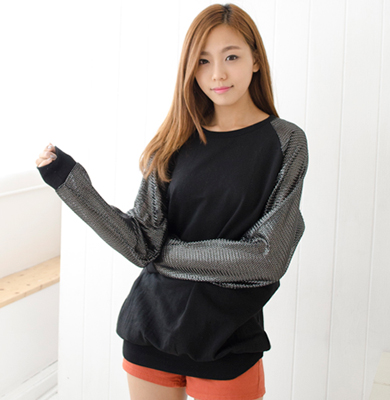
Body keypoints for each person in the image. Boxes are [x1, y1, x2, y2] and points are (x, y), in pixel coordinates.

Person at [36, 3, 308, 400]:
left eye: (231, 57)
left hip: (228, 341)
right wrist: (68, 182)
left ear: (255, 60)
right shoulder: (175, 140)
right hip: (150, 329)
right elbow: (139, 243)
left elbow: (267, 259)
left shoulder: (285, 142)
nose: (217, 74)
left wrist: (164, 256)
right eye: (203, 61)